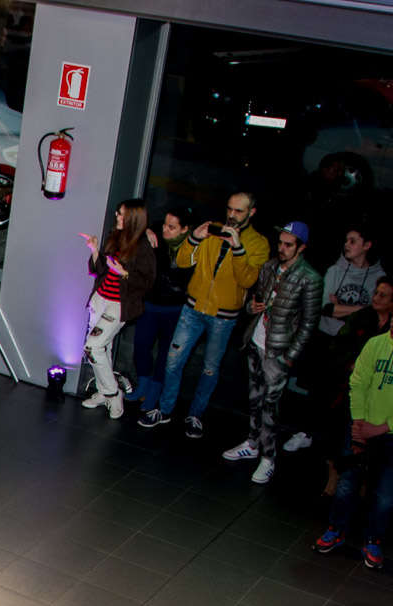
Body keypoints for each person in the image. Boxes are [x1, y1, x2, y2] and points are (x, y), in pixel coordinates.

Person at [137, 191, 269, 437]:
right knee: (173, 361)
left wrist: (237, 248)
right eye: (229, 208)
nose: (231, 214)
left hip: (223, 317)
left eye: (238, 211)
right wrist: (194, 239)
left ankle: (195, 415)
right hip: (192, 308)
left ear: (251, 212)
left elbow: (247, 280)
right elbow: (183, 261)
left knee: (209, 368)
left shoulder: (258, 243)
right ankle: (164, 410)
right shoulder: (212, 230)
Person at [313, 287, 393, 570]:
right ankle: (336, 530)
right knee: (347, 483)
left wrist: (381, 428)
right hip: (361, 427)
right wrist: (359, 423)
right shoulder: (376, 344)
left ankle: (373, 540)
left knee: (385, 495)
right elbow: (358, 383)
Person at [220, 222, 322, 484]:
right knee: (254, 397)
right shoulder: (269, 267)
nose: (282, 248)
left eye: (289, 245)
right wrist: (252, 308)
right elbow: (255, 301)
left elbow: (309, 324)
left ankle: (268, 458)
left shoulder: (310, 278)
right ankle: (252, 444)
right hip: (257, 341)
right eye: (280, 243)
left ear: (301, 247)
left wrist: (290, 356)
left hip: (278, 350)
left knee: (270, 405)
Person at [78, 200, 156, 419]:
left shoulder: (143, 247)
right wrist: (95, 249)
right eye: (118, 213)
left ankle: (113, 393)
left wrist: (125, 273)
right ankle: (104, 391)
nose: (117, 216)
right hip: (100, 299)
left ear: (133, 218)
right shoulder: (115, 236)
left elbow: (147, 282)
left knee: (92, 347)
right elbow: (99, 270)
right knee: (103, 349)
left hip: (118, 305)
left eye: (122, 214)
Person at [126, 207, 191, 414]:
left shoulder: (191, 246)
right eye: (164, 224)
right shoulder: (156, 235)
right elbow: (136, 228)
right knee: (141, 343)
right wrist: (146, 230)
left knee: (166, 352)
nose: (165, 229)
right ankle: (143, 384)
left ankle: (155, 390)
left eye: (172, 227)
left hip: (174, 307)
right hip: (151, 302)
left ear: (185, 229)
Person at [318, 226, 385, 337]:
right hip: (325, 333)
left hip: (356, 336)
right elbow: (325, 308)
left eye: (352, 241)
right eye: (346, 241)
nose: (346, 244)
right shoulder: (334, 271)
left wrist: (339, 309)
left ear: (366, 245)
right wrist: (365, 309)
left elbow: (378, 313)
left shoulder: (379, 277)